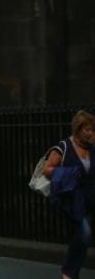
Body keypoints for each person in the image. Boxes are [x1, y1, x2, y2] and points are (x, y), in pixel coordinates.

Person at [43, 110, 95, 279]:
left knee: (81, 237)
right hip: (72, 201)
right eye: (87, 129)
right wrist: (69, 172)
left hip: (90, 198)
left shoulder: (92, 145)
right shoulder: (63, 147)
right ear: (77, 129)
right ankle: (69, 273)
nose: (90, 133)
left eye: (92, 129)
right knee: (84, 235)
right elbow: (47, 169)